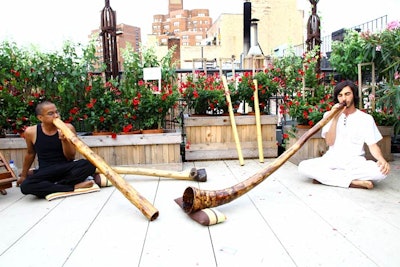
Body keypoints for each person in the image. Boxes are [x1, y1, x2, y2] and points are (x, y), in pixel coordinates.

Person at [298, 80, 390, 189]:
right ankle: (354, 182)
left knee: (381, 172)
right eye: (340, 95)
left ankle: (326, 179)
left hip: (355, 162)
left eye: (347, 94)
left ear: (354, 95)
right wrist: (335, 118)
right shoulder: (328, 115)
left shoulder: (366, 119)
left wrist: (382, 160)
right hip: (332, 160)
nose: (344, 98)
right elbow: (329, 142)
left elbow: (373, 145)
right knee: (303, 167)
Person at [17, 101, 99, 198]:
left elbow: (70, 156)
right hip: (46, 171)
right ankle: (73, 187)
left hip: (65, 168)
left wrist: (63, 140)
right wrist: (24, 175)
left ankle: (53, 186)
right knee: (26, 186)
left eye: (57, 112)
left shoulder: (68, 128)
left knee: (89, 164)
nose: (56, 116)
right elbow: (30, 154)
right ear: (40, 118)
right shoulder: (31, 132)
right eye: (50, 113)